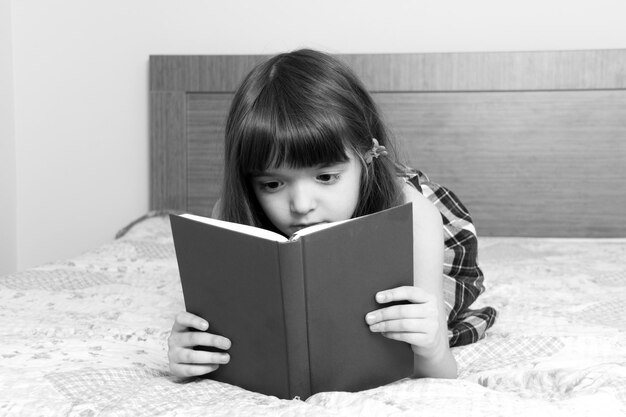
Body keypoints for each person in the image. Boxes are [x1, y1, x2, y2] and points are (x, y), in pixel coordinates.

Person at [167, 49, 496, 380]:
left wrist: (434, 347)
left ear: (367, 155)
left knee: (415, 325)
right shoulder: (230, 212)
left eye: (325, 177)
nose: (301, 204)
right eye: (272, 183)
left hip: (419, 221)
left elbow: (439, 370)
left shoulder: (415, 216)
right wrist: (190, 353)